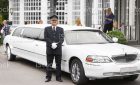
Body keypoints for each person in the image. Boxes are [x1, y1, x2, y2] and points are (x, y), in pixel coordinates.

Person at [44, 15, 64, 82]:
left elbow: (62, 39)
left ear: (57, 21)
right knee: (49, 64)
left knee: (58, 64)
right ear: (50, 21)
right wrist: (51, 44)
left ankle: (58, 77)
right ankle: (48, 77)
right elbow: (46, 38)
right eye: (53, 20)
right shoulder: (46, 29)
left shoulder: (61, 29)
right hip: (50, 49)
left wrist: (56, 44)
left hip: (58, 50)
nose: (54, 22)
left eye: (55, 20)